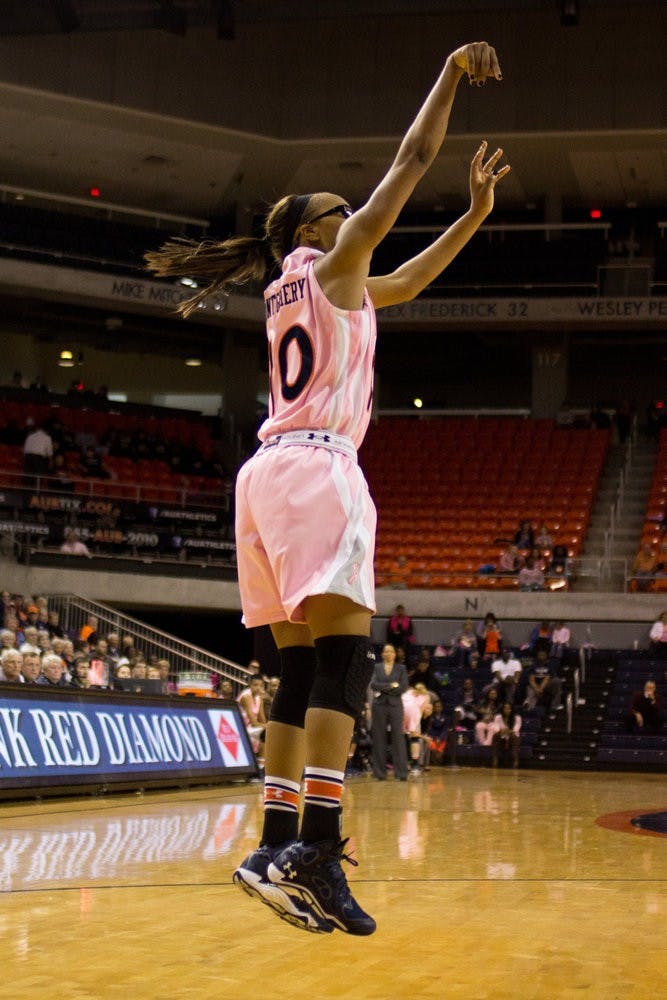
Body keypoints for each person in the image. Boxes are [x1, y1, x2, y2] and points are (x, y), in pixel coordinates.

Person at [147, 39, 506, 937]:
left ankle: (271, 844)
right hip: (316, 470)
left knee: (298, 668)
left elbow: (409, 280)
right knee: (345, 661)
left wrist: (472, 216)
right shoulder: (336, 265)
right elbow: (410, 159)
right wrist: (449, 74)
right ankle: (316, 845)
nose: (355, 215)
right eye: (340, 212)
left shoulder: (300, 287)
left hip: (262, 478)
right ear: (311, 233)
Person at [370, 643, 410, 782]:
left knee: (398, 738)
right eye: (386, 651)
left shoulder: (401, 668)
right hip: (379, 705)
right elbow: (373, 684)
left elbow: (403, 687)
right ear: (382, 654)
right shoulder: (377, 667)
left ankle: (401, 773)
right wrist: (391, 686)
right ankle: (379, 773)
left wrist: (384, 688)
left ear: (395, 654)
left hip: (395, 706)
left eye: (391, 651)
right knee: (379, 738)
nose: (388, 653)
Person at [490, 701, 522, 768]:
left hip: (512, 736)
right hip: (502, 735)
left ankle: (516, 760)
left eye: (509, 708)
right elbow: (496, 728)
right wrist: (501, 731)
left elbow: (516, 729)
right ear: (503, 709)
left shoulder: (517, 717)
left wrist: (508, 731)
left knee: (515, 737)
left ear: (511, 709)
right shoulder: (498, 717)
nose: (507, 710)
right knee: (495, 736)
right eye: (505, 708)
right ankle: (495, 759)